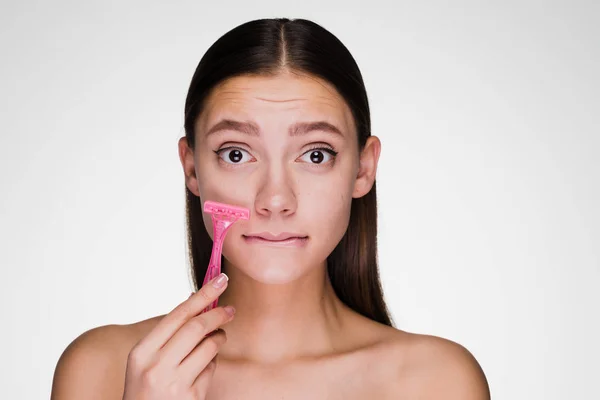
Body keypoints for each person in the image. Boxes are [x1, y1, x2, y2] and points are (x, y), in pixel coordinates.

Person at [51, 18, 490, 399]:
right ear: (192, 169)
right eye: (237, 154)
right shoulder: (102, 369)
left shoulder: (438, 382)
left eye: (315, 154)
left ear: (363, 168)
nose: (276, 199)